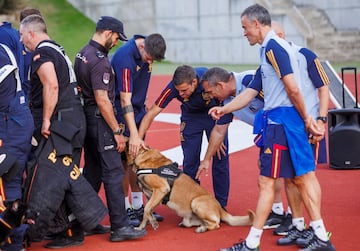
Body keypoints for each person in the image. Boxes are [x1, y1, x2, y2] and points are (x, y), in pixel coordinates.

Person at [211, 4, 335, 251]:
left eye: (245, 28)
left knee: (278, 179)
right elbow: (251, 91)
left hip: (284, 121)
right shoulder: (268, 50)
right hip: (283, 121)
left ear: (257, 24)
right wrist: (225, 109)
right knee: (296, 177)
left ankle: (254, 242)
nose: (244, 33)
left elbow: (294, 88)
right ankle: (315, 233)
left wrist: (310, 119)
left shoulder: (274, 48)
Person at [19, 14, 108, 247]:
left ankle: (71, 231)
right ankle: (71, 225)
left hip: (61, 124)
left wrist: (46, 120)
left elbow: (52, 85)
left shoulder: (41, 53)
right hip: (70, 122)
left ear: (31, 33)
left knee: (50, 179)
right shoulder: (56, 47)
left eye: (21, 35)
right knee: (63, 176)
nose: (21, 41)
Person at [74, 15, 147, 242]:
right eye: (116, 37)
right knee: (114, 172)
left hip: (87, 117)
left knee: (93, 172)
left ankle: (83, 220)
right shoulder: (100, 60)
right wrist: (117, 131)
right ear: (107, 33)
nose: (116, 42)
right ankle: (120, 226)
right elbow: (103, 99)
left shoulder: (82, 53)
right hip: (100, 121)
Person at [264, 21, 330, 247]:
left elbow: (323, 87)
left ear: (280, 34)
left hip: (308, 123)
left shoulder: (305, 55)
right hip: (290, 123)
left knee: (305, 176)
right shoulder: (274, 57)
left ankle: (317, 229)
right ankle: (298, 224)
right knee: (289, 177)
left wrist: (320, 119)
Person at [138, 65, 231, 208]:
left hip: (214, 116)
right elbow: (152, 112)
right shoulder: (173, 88)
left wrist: (221, 133)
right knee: (190, 160)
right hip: (191, 117)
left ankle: (221, 205)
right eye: (178, 91)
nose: (180, 94)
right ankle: (192, 204)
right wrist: (138, 138)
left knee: (220, 157)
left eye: (184, 90)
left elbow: (227, 103)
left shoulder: (208, 79)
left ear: (195, 82)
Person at [110, 32, 166, 225]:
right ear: (142, 47)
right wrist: (133, 133)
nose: (149, 62)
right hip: (123, 115)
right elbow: (124, 99)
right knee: (125, 162)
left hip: (138, 111)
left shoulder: (147, 49)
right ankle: (126, 209)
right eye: (148, 58)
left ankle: (138, 205)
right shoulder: (125, 58)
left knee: (138, 160)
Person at [196, 68, 263, 180]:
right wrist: (206, 160)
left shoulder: (249, 80)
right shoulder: (226, 101)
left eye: (210, 92)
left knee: (293, 174)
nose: (211, 97)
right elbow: (219, 131)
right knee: (266, 170)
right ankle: (276, 198)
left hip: (289, 126)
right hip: (269, 131)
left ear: (220, 85)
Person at [0, 41, 34, 251]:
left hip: (12, 125)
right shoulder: (3, 48)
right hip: (14, 121)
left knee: (8, 182)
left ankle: (13, 242)